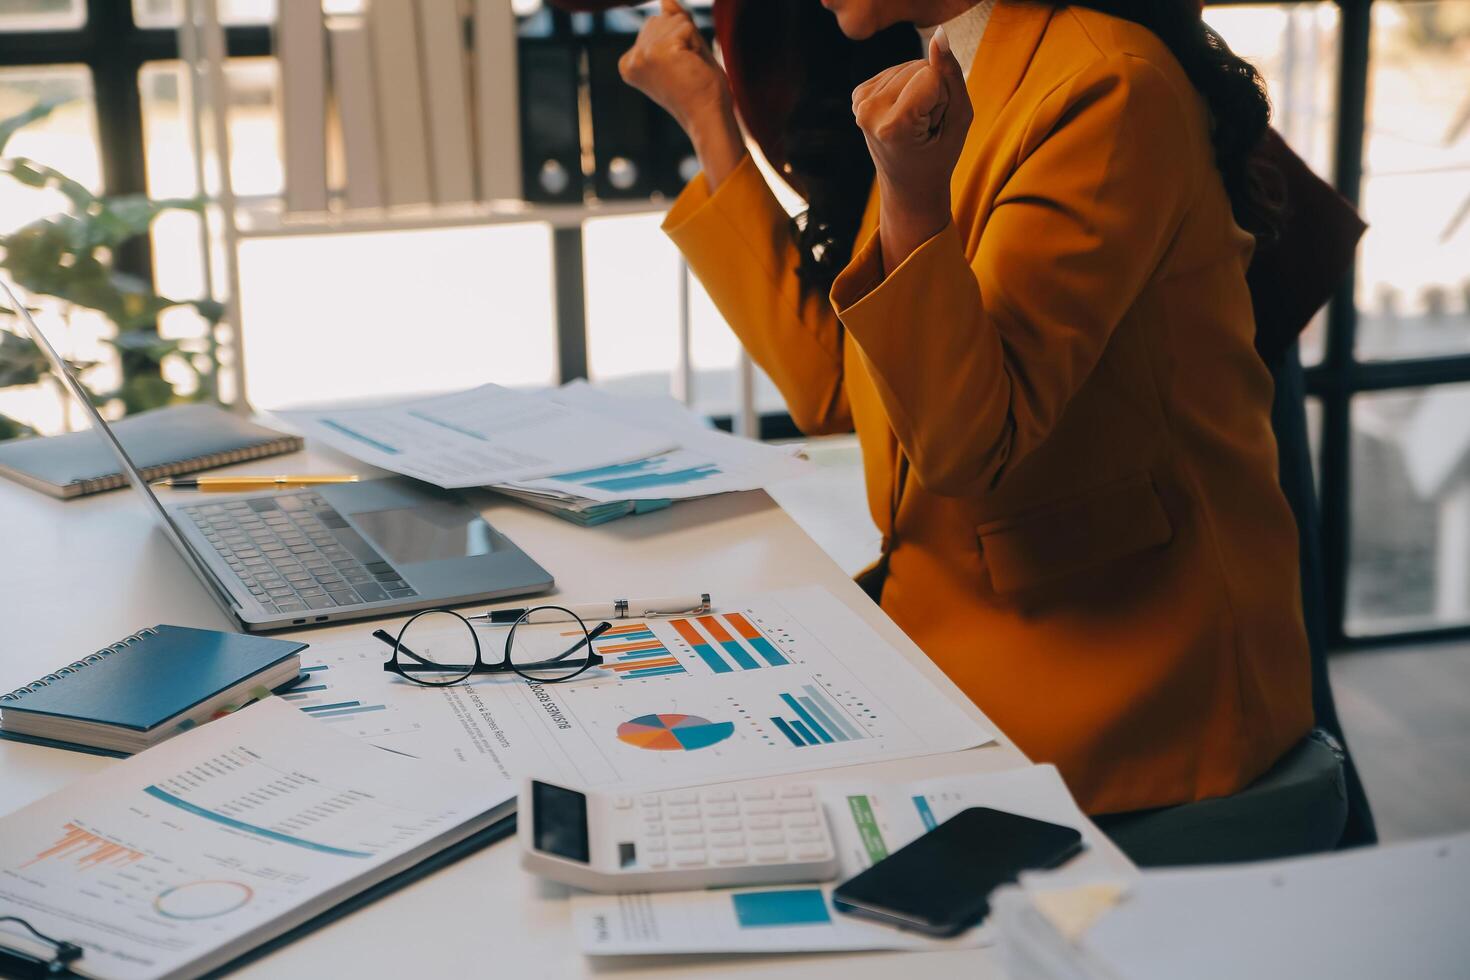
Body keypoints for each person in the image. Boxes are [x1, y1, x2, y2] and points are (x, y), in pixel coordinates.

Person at [572, 0, 1315, 817]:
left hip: (1128, 691)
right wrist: (710, 122)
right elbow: (839, 390)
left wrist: (913, 202)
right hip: (963, 649)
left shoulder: (1106, 85)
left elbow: (969, 445)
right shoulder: (951, 67)